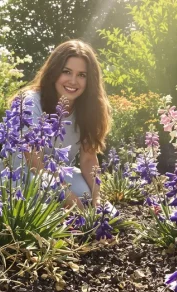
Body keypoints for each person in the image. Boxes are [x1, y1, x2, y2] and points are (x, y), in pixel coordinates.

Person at [17, 39, 111, 207]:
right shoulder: (30, 102)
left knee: (86, 194)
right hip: (22, 176)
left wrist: (98, 200)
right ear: (54, 72)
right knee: (43, 195)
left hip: (60, 174)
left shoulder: (89, 109)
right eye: (66, 72)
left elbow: (89, 158)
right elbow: (33, 162)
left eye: (82, 75)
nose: (73, 81)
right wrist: (71, 200)